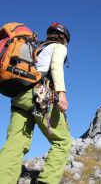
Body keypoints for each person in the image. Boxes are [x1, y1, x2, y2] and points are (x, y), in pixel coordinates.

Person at [0, 23, 72, 184]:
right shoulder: (59, 47)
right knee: (62, 141)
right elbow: (56, 67)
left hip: (19, 97)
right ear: (64, 39)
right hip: (39, 95)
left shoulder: (36, 49)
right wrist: (62, 94)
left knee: (14, 145)